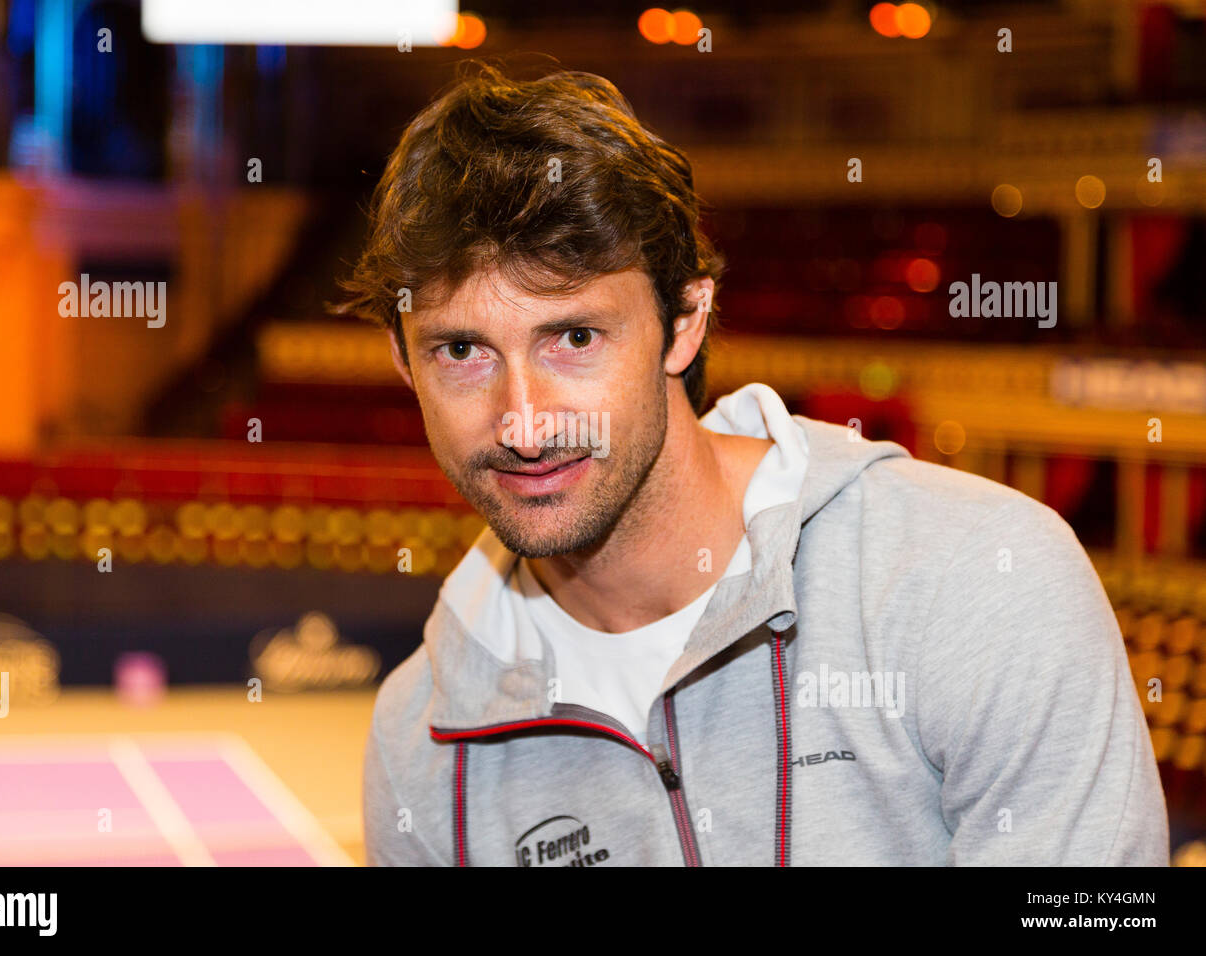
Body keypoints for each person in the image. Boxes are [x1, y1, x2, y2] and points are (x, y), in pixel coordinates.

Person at [340, 62, 1168, 866]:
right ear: (404, 362)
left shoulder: (977, 583)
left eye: (576, 337)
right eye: (460, 351)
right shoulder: (420, 743)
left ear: (686, 322)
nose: (522, 423)